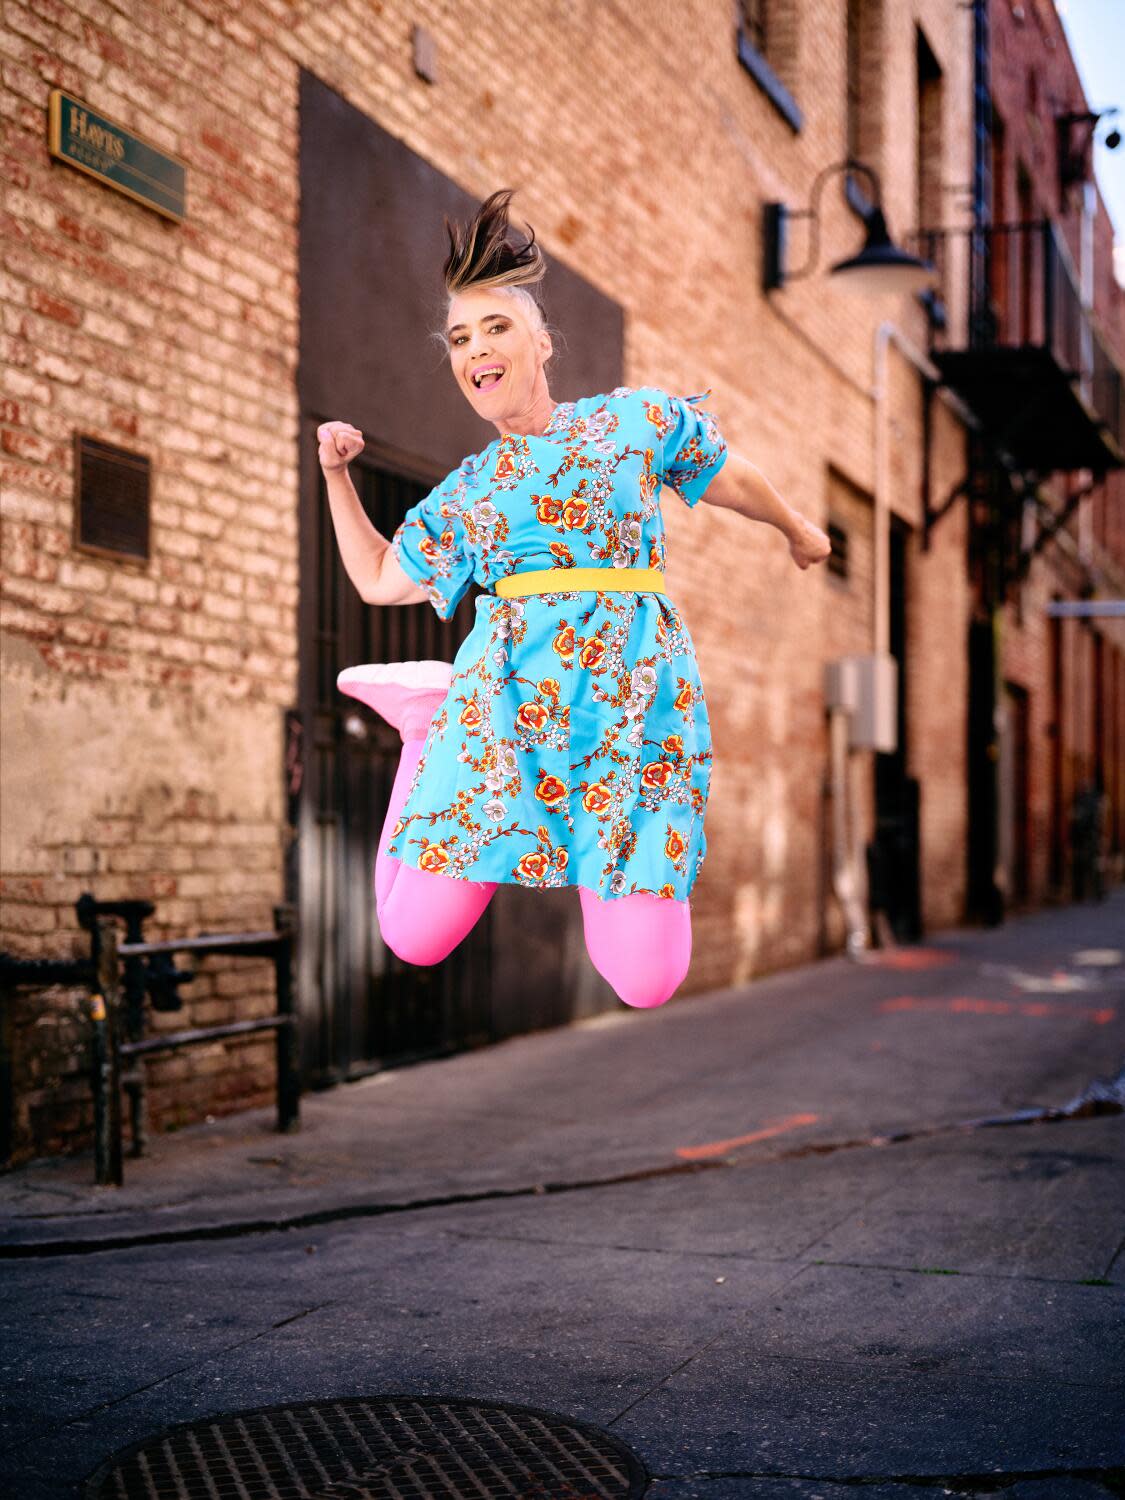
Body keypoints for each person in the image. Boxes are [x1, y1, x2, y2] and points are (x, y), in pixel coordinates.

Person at [319, 188, 831, 1008]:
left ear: (541, 344)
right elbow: (380, 577)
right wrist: (336, 474)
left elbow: (725, 474)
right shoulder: (470, 490)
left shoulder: (633, 422)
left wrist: (796, 526)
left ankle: (438, 726)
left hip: (631, 712)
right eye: (458, 338)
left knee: (646, 980)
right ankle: (426, 721)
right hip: (503, 713)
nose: (475, 349)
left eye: (495, 327)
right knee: (410, 938)